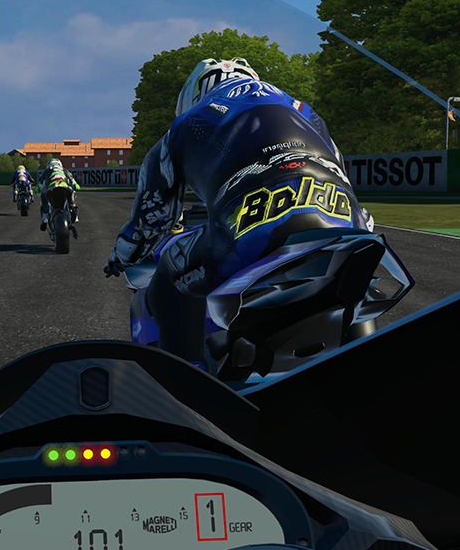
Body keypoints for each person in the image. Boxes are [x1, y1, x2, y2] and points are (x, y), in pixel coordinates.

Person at [104, 57, 373, 362]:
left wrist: (120, 257)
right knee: (357, 277)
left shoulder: (185, 125)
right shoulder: (307, 112)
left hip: (253, 227)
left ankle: (184, 380)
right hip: (340, 218)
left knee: (168, 276)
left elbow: (151, 221)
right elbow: (345, 180)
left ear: (192, 95)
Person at [38, 156, 77, 232]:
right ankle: (73, 209)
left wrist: (38, 189)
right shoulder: (64, 170)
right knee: (71, 192)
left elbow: (40, 184)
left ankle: (45, 218)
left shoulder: (47, 171)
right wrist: (75, 185)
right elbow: (73, 181)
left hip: (52, 188)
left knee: (43, 195)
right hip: (64, 187)